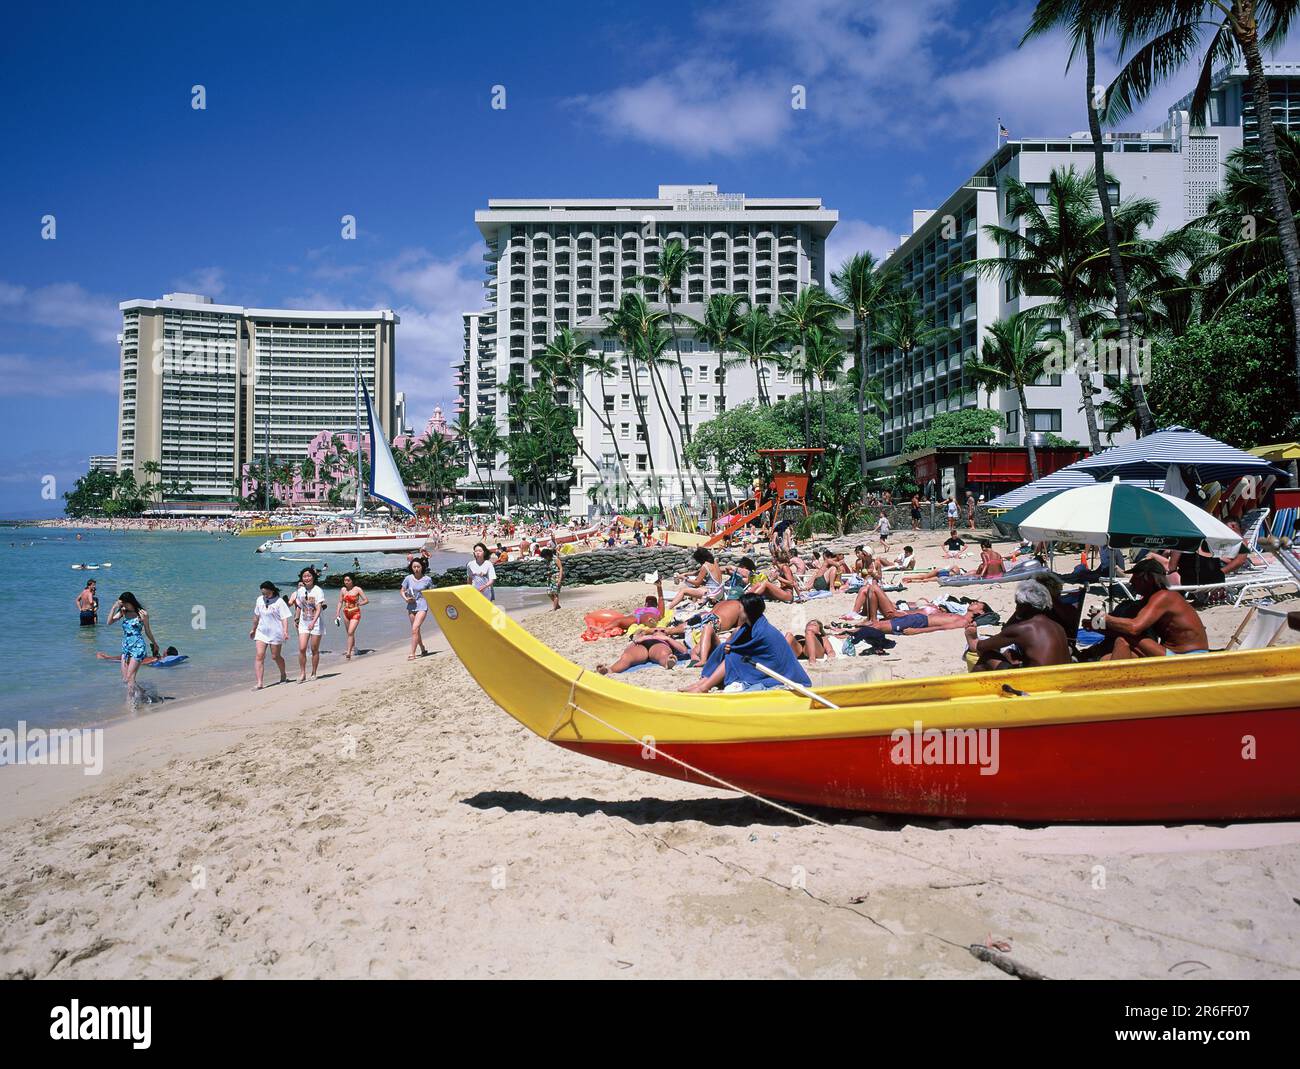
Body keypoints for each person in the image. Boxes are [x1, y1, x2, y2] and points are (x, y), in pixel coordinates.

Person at [684, 593, 812, 693]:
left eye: (740, 608)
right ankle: (703, 682)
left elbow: (751, 650)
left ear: (747, 611)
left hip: (775, 667)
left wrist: (734, 649)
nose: (737, 610)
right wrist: (732, 645)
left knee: (733, 657)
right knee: (724, 648)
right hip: (764, 660)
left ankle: (704, 687)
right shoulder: (751, 624)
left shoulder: (762, 630)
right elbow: (736, 643)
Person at [1090, 558, 1210, 658]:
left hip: (1190, 656)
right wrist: (1097, 627)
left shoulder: (1164, 596)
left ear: (1149, 578)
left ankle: (1113, 683)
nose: (1131, 581)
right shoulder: (1150, 599)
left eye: (1136, 576)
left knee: (1125, 639)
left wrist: (1104, 619)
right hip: (1171, 654)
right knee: (1109, 657)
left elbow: (1133, 628)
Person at [965, 581, 1070, 671]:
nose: (1016, 609)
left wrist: (971, 636)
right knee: (1011, 654)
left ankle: (969, 691)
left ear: (1023, 606)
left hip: (1039, 684)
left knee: (988, 655)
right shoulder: (1057, 626)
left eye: (1017, 604)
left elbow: (979, 646)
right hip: (1061, 680)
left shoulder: (1023, 629)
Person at [107, 591, 160, 703]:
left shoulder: (142, 614)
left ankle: (130, 705)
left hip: (138, 647)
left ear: (130, 602)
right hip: (126, 648)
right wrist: (114, 607)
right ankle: (142, 692)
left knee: (130, 678)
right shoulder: (123, 612)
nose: (123, 606)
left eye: (124, 604)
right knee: (126, 679)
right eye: (122, 604)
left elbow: (147, 631)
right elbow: (109, 622)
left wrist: (154, 643)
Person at [250, 580, 293, 688]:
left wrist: (285, 631)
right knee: (259, 655)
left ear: (272, 591)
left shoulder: (279, 602)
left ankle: (283, 674)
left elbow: (284, 618)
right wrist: (253, 629)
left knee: (275, 656)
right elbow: (256, 616)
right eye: (262, 593)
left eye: (266, 593)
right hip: (261, 632)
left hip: (276, 633)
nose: (264, 595)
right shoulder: (260, 600)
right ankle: (259, 682)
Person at [596, 628, 692, 674]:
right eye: (655, 630)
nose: (658, 631)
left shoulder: (666, 639)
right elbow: (627, 649)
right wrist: (639, 638)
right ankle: (610, 670)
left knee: (663, 654)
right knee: (627, 657)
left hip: (658, 644)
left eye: (663, 630)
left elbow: (684, 651)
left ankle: (667, 662)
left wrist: (667, 638)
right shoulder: (642, 636)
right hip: (641, 644)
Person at [289, 567, 327, 681]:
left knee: (314, 649)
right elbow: (299, 607)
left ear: (313, 577)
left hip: (316, 623)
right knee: (302, 648)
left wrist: (313, 622)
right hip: (303, 623)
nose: (307, 578)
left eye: (309, 576)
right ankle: (302, 673)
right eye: (304, 576)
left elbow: (319, 608)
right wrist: (296, 619)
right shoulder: (300, 591)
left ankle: (314, 673)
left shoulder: (318, 590)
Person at [335, 573, 368, 661]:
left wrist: (359, 603)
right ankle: (353, 649)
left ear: (352, 581)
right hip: (346, 613)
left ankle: (348, 652)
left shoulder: (357, 589)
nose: (346, 582)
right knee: (350, 633)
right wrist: (337, 613)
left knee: (350, 632)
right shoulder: (343, 590)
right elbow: (340, 602)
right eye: (345, 580)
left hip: (355, 612)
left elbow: (366, 600)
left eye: (348, 580)